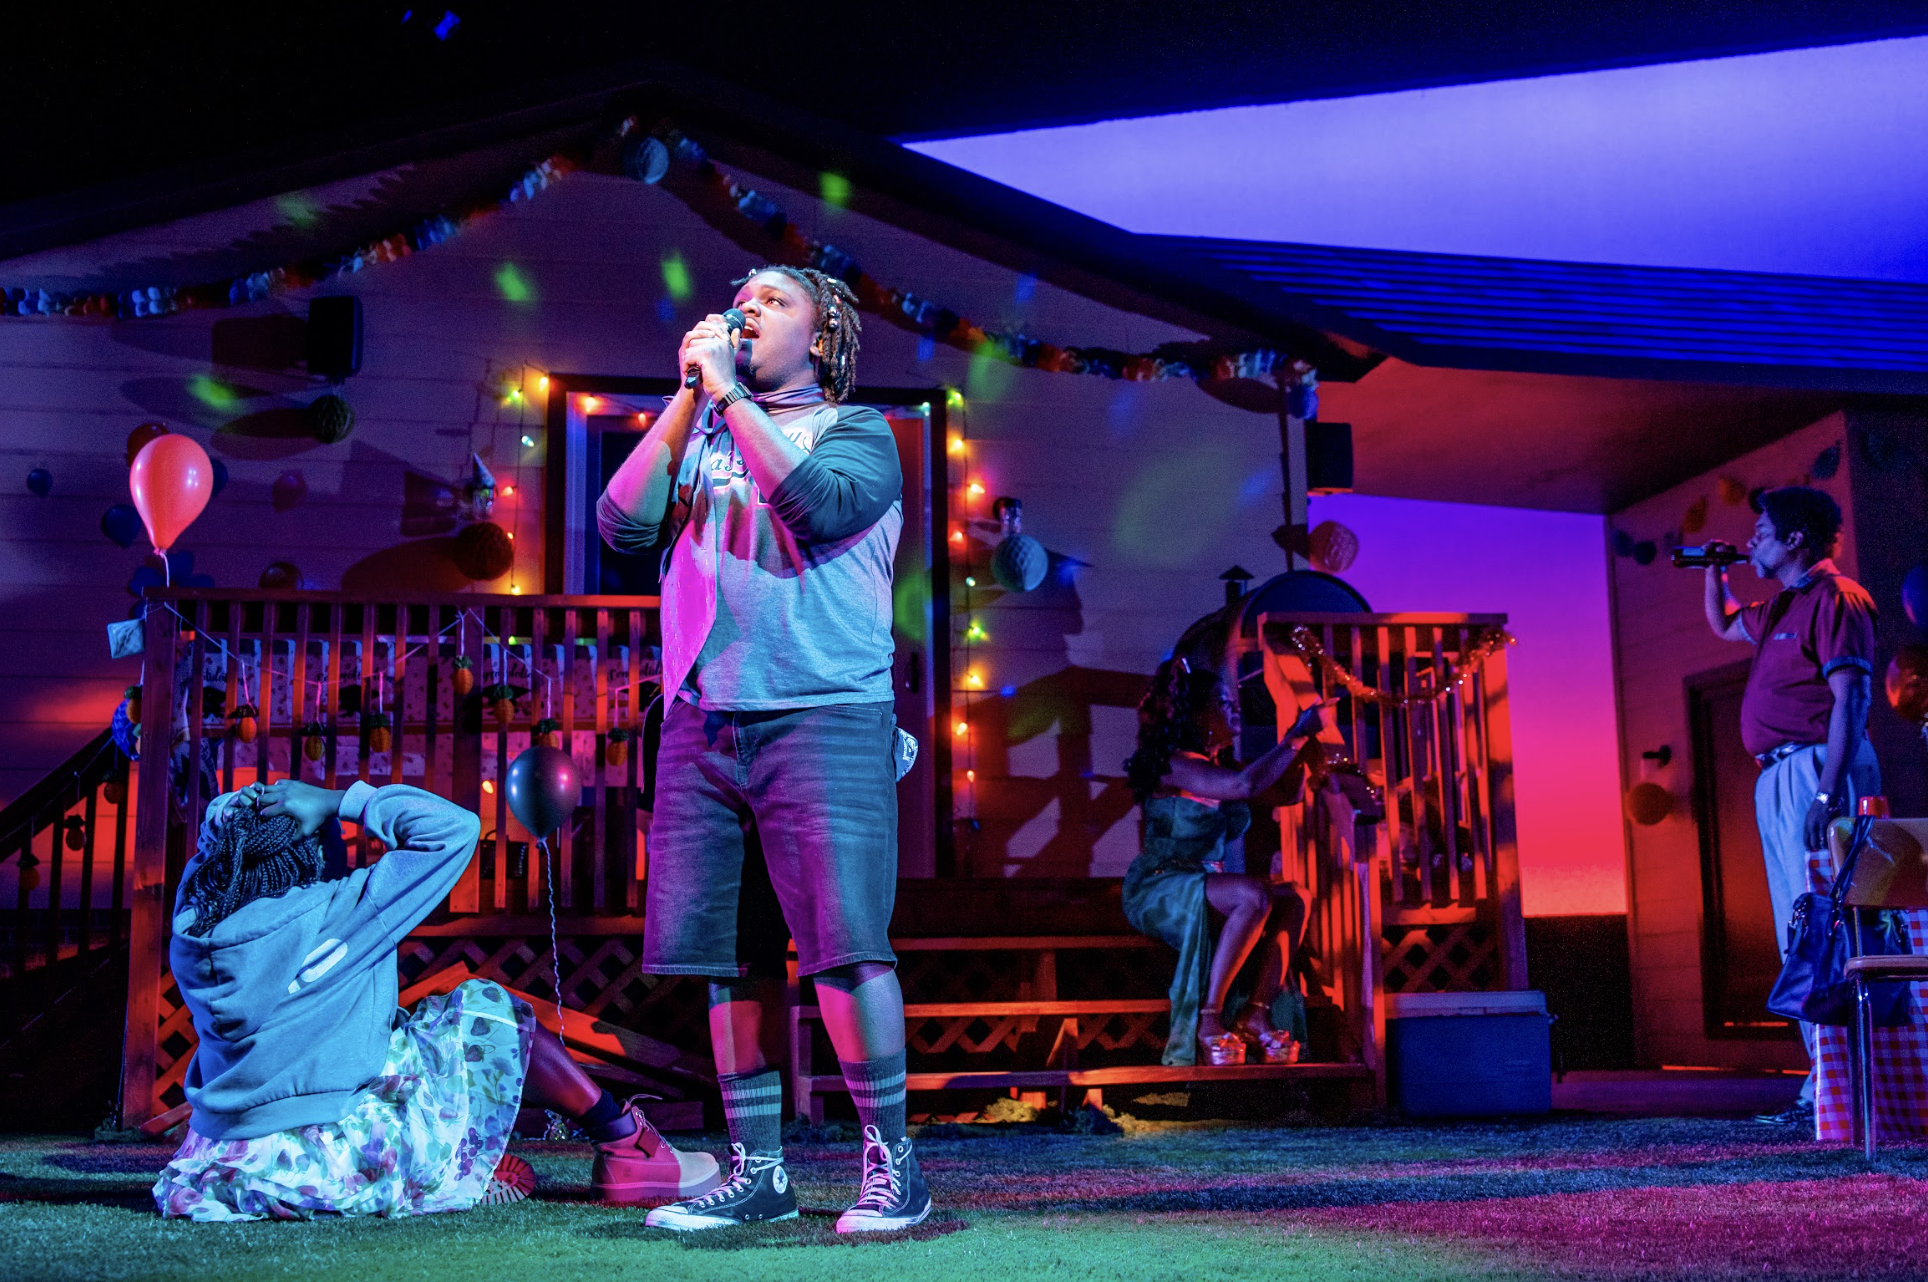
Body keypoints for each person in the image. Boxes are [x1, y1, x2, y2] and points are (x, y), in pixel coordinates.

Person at [597, 266, 927, 1232]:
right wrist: (686, 399)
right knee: (729, 959)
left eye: (774, 301)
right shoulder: (702, 432)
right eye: (740, 297)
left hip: (825, 712)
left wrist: (730, 400)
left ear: (820, 340)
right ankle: (759, 1174)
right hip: (704, 720)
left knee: (845, 948)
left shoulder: (859, 433)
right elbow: (621, 525)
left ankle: (892, 1167)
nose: (745, 309)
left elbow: (817, 509)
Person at [153, 779, 720, 1220]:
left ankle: (462, 1166)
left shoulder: (194, 929)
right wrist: (336, 801)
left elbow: (215, 856)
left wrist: (240, 816)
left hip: (231, 1163)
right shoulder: (340, 909)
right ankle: (626, 1147)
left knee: (406, 1034)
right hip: (334, 1161)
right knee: (485, 1013)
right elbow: (454, 828)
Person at [1702, 485, 1879, 1128]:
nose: (1752, 540)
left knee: (1832, 925)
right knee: (1797, 927)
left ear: (1795, 539)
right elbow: (1724, 623)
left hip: (1816, 767)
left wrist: (1828, 792)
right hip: (1779, 774)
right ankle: (1824, 1084)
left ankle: (1851, 1083)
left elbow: (1851, 699)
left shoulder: (1836, 598)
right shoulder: (1782, 604)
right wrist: (1714, 571)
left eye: (1762, 531)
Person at [1121, 659, 1325, 1066]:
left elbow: (1287, 794)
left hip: (1204, 883)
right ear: (1197, 715)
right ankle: (1208, 1019)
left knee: (1295, 896)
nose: (1235, 710)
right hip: (1161, 885)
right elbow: (1244, 785)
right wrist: (1295, 739)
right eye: (1224, 702)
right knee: (1253, 895)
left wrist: (1309, 747)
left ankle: (1256, 1012)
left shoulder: (1218, 768)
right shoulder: (1174, 765)